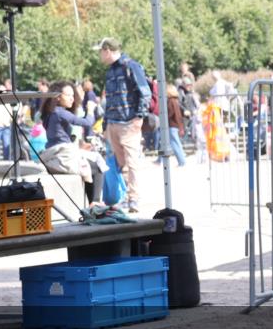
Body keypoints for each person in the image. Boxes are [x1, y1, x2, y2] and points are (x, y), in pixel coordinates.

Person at [95, 37, 151, 214]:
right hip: (113, 122)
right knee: (122, 164)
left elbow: (145, 92)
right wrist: (105, 125)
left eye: (100, 51)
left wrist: (138, 118)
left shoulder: (130, 66)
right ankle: (129, 196)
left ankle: (134, 198)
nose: (99, 55)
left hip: (128, 123)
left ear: (107, 50)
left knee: (132, 161)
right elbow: (110, 99)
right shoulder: (111, 71)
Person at [39, 81, 107, 205]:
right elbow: (86, 122)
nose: (72, 98)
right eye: (68, 95)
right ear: (58, 97)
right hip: (64, 156)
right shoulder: (60, 112)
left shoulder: (50, 113)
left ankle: (94, 203)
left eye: (73, 95)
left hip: (55, 154)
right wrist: (90, 110)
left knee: (92, 164)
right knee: (98, 166)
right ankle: (95, 203)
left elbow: (58, 136)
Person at [160, 85, 187, 167]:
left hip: (172, 125)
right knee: (176, 143)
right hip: (175, 125)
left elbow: (169, 113)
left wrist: (163, 117)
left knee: (174, 144)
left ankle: (181, 161)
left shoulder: (170, 101)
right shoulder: (175, 101)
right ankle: (181, 161)